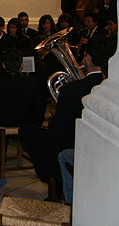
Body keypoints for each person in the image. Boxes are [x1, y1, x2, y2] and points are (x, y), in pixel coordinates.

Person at [20, 35, 110, 201]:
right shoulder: (109, 87)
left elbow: (57, 134)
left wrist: (55, 117)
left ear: (88, 58)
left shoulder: (71, 90)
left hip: (69, 146)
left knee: (27, 132)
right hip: (93, 144)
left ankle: (53, 179)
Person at [0, 49, 45, 127]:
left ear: (3, 65)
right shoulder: (32, 82)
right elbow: (38, 106)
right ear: (22, 65)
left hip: (3, 121)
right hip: (27, 122)